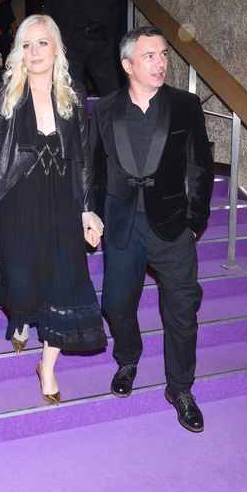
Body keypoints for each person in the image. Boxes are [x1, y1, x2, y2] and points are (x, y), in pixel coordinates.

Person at [0, 14, 107, 405]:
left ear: (57, 48)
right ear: (19, 53)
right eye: (26, 45)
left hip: (62, 200)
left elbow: (83, 157)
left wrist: (87, 210)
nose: (34, 52)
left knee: (66, 281)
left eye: (42, 43)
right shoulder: (8, 94)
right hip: (18, 199)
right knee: (23, 277)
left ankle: (46, 366)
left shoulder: (74, 94)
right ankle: (20, 317)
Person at [90, 26, 215, 432]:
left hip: (173, 226)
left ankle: (180, 388)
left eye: (163, 54)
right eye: (149, 55)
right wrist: (91, 212)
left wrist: (195, 222)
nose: (160, 62)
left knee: (182, 311)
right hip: (122, 224)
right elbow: (93, 169)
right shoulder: (104, 109)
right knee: (115, 304)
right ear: (127, 65)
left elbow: (202, 166)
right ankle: (128, 357)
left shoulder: (185, 105)